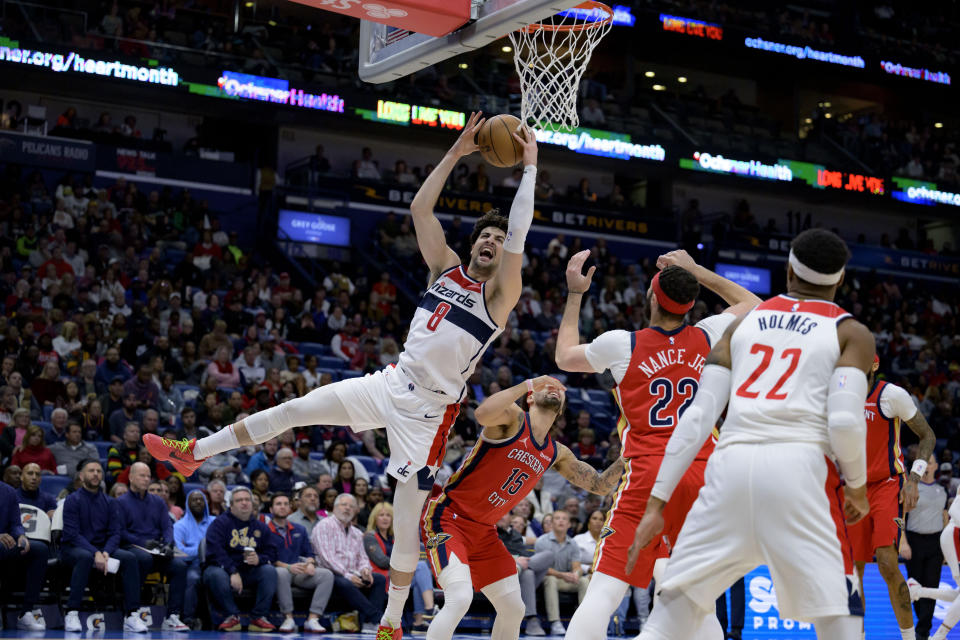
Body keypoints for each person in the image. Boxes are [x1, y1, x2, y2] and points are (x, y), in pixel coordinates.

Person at [147, 112, 539, 639]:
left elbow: (518, 234)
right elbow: (420, 208)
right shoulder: (444, 267)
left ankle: (392, 623)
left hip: (428, 417)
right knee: (293, 410)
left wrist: (530, 166)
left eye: (499, 237)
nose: (493, 241)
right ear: (471, 245)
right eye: (485, 236)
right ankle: (193, 452)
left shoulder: (499, 298)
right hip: (389, 383)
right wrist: (455, 153)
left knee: (405, 533)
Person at [628, 229, 874, 640]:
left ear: (789, 271)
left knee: (671, 617)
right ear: (841, 280)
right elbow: (846, 423)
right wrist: (859, 487)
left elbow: (697, 419)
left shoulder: (740, 326)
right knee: (839, 620)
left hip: (729, 468)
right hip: (802, 471)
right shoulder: (852, 332)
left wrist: (657, 503)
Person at [556, 249, 760, 640]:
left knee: (605, 589)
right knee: (696, 599)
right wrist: (697, 270)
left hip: (648, 473)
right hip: (702, 475)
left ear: (652, 297)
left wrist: (575, 294)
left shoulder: (621, 344)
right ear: (688, 304)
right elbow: (753, 304)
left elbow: (564, 355)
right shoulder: (711, 332)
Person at [422, 376, 623, 640]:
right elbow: (482, 413)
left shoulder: (556, 452)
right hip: (449, 517)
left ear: (561, 408)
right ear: (530, 398)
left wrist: (626, 456)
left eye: (560, 390)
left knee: (514, 608)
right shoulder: (514, 418)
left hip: (484, 533)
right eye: (545, 385)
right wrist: (527, 383)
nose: (553, 388)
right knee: (460, 598)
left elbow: (599, 485)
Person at [848, 355, 935, 640]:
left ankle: (909, 637)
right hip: (854, 488)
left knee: (887, 562)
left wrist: (914, 479)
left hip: (887, 484)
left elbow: (927, 436)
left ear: (873, 365)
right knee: (852, 571)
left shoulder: (891, 395)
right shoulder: (837, 396)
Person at [60, 459, 147, 633]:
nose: (95, 474)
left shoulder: (110, 502)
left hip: (103, 548)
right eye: (91, 471)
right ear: (81, 475)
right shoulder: (72, 500)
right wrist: (95, 553)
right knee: (84, 557)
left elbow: (115, 533)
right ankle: (72, 612)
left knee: (130, 558)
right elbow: (72, 534)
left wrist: (106, 551)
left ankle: (131, 614)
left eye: (99, 471)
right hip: (74, 548)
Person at [117, 462, 189, 631]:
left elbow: (167, 526)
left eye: (148, 476)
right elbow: (119, 532)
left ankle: (172, 616)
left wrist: (169, 544)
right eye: (142, 475)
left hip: (157, 550)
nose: (146, 479)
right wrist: (142, 543)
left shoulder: (158, 502)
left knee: (180, 566)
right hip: (132, 547)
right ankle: (131, 614)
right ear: (131, 477)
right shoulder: (120, 502)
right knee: (143, 558)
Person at [203, 486, 279, 632]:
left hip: (250, 571)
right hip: (223, 569)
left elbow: (272, 552)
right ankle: (232, 616)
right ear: (231, 505)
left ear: (252, 504)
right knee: (215, 574)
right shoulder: (220, 524)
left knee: (269, 570)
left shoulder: (261, 527)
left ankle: (258, 618)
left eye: (247, 500)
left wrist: (260, 559)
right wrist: (232, 571)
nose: (244, 503)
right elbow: (215, 552)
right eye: (239, 500)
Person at [311, 492, 386, 633]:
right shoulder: (324, 526)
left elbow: (363, 558)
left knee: (379, 579)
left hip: (352, 574)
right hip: (331, 575)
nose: (347, 508)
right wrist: (349, 576)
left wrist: (365, 570)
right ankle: (377, 617)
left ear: (356, 510)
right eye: (343, 505)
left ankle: (369, 624)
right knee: (344, 582)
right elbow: (327, 558)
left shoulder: (356, 533)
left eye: (351, 506)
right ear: (334, 508)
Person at [364, 502, 436, 632]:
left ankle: (419, 622)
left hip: (398, 575)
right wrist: (405, 563)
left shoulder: (395, 536)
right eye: (381, 515)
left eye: (388, 515)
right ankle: (430, 610)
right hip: (381, 577)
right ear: (374, 518)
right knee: (419, 566)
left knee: (420, 572)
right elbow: (381, 561)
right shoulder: (369, 536)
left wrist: (406, 562)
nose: (385, 518)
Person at [268, 492, 333, 633]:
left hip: (299, 572)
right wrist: (289, 567)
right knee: (281, 572)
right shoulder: (265, 530)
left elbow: (309, 553)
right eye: (278, 504)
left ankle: (313, 618)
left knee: (326, 574)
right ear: (271, 510)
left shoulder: (299, 529)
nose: (283, 507)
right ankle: (288, 617)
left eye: (286, 504)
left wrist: (310, 563)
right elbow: (268, 559)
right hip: (278, 572)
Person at [904, 454, 948, 639]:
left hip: (936, 543)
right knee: (916, 590)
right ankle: (921, 628)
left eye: (930, 463)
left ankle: (923, 633)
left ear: (936, 466)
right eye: (924, 464)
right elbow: (902, 517)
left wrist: (947, 548)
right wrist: (903, 542)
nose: (927, 467)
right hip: (914, 542)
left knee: (932, 588)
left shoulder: (942, 491)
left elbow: (945, 518)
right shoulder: (910, 489)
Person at [0, 478, 49, 630]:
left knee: (39, 549)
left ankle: (26, 612)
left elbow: (16, 523)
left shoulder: (8, 491)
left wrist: (21, 535)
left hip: (4, 542)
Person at [537, 509, 589, 636]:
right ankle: (555, 622)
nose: (561, 521)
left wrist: (575, 575)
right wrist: (562, 575)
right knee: (551, 580)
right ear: (552, 523)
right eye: (557, 518)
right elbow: (542, 568)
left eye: (564, 519)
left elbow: (577, 566)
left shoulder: (573, 543)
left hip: (564, 580)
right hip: (546, 579)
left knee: (584, 580)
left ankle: (584, 622)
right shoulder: (542, 541)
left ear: (569, 524)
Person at [173, 489, 214, 627]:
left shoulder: (215, 522)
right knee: (192, 578)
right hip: (192, 564)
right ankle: (188, 619)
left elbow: (221, 546)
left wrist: (190, 549)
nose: (197, 502)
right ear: (187, 503)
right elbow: (179, 551)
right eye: (194, 499)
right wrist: (202, 549)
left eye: (200, 499)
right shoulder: (179, 526)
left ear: (206, 502)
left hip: (214, 563)